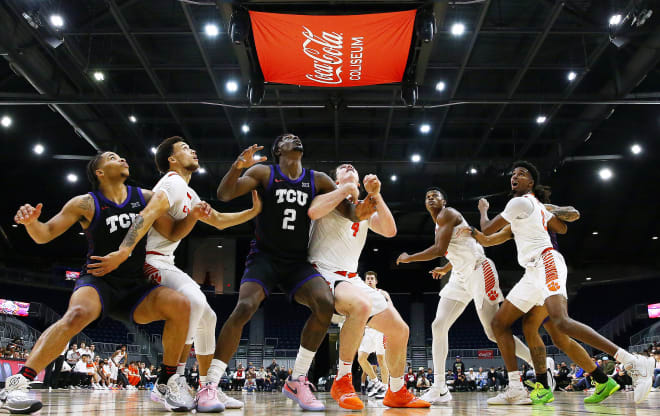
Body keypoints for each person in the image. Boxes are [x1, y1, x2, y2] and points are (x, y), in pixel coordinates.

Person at [1, 151, 195, 414]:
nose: (123, 158)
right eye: (114, 157)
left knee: (182, 305)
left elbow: (172, 232)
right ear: (99, 173)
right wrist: (31, 223)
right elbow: (44, 235)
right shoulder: (85, 203)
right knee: (76, 315)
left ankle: (168, 381)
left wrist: (194, 215)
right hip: (98, 280)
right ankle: (17, 383)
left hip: (135, 286)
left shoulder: (146, 197)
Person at [203, 136, 374, 411]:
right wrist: (237, 167)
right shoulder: (263, 172)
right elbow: (225, 194)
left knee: (325, 305)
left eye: (297, 138)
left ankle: (297, 379)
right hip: (264, 258)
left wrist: (364, 207)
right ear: (277, 151)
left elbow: (350, 213)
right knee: (245, 306)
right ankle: (209, 385)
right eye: (286, 139)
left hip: (297, 262)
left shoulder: (317, 179)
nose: (294, 139)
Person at [476, 160, 655, 405]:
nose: (514, 177)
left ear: (531, 183)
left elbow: (567, 218)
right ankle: (520, 386)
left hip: (546, 262)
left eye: (521, 174)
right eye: (513, 173)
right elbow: (558, 228)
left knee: (561, 325)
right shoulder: (525, 212)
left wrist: (484, 210)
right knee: (504, 324)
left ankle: (632, 361)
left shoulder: (523, 203)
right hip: (532, 271)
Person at [142, 136, 261, 412]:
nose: (192, 149)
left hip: (166, 261)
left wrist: (253, 212)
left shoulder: (188, 192)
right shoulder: (170, 183)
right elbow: (147, 218)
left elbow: (218, 221)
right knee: (194, 302)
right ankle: (171, 381)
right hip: (151, 261)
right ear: (171, 160)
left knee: (208, 317)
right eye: (184, 148)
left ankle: (210, 389)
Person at [396, 187, 533, 404]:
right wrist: (447, 268)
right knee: (438, 325)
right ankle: (440, 387)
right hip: (460, 276)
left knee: (492, 332)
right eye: (427, 196)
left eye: (435, 196)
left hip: (479, 269)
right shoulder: (440, 222)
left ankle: (538, 363)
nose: (431, 198)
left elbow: (439, 249)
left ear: (444, 201)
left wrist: (409, 257)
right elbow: (460, 247)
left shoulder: (447, 213)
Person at [308, 163, 428, 409]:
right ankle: (342, 379)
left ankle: (396, 391)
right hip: (322, 273)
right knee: (361, 306)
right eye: (342, 168)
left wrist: (376, 194)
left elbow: (390, 230)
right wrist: (345, 189)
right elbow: (313, 212)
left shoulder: (363, 207)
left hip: (351, 279)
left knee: (400, 330)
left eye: (353, 168)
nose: (350, 166)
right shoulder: (328, 196)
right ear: (335, 180)